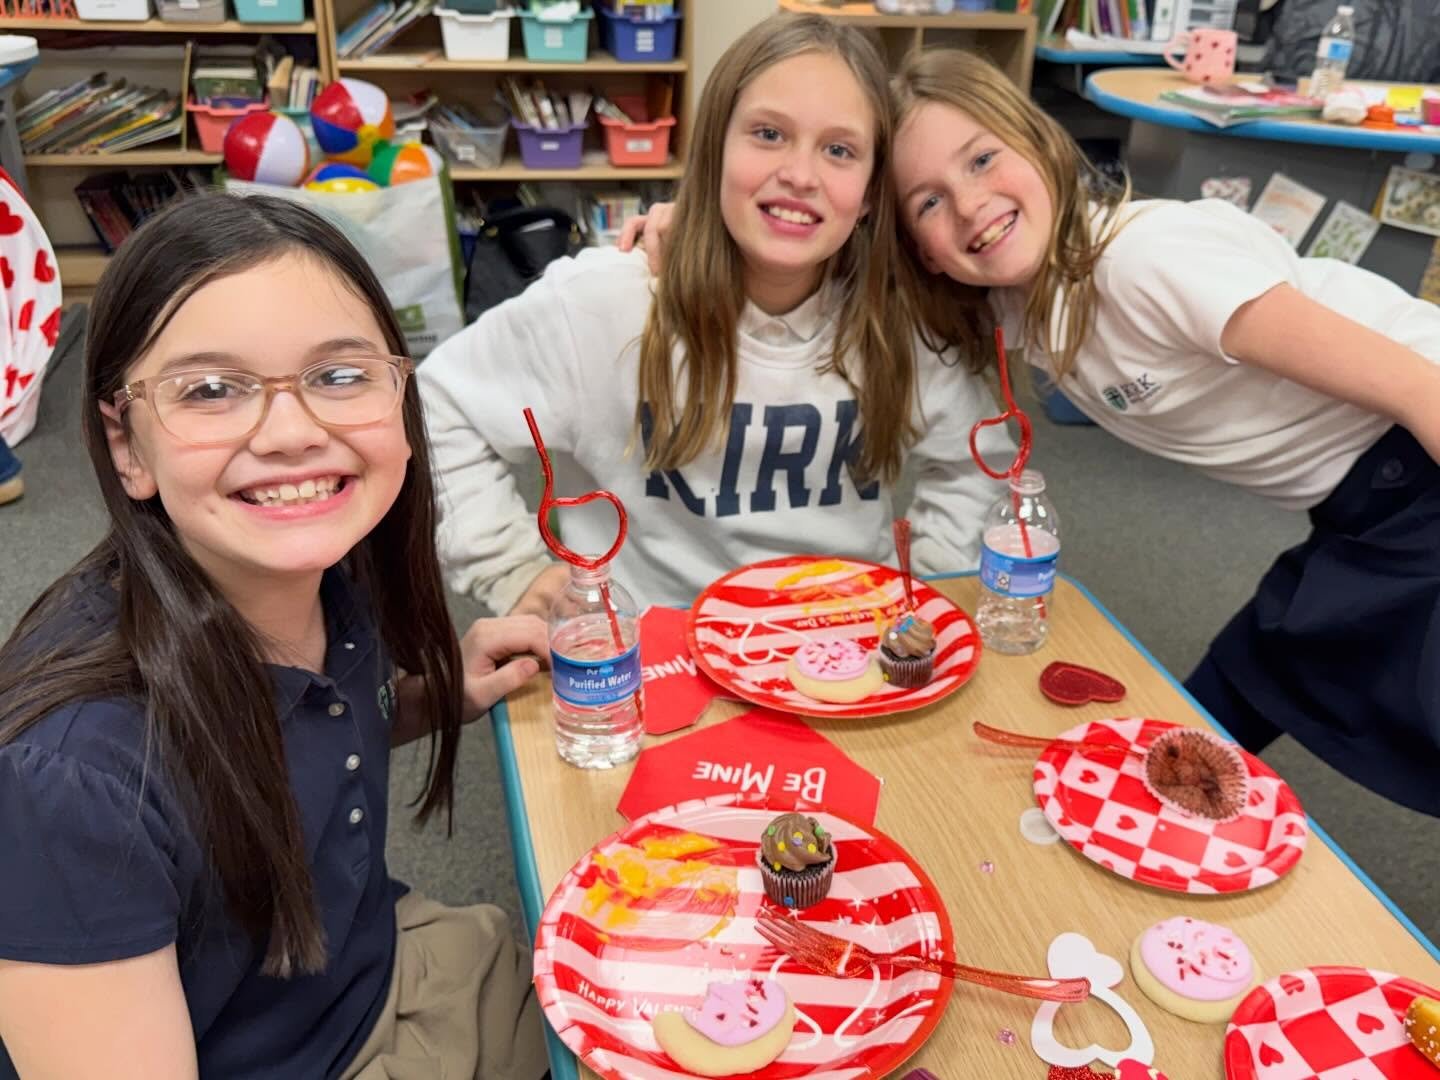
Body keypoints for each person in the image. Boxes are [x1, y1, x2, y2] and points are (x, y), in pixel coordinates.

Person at [0, 193, 550, 1079]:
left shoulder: (324, 567)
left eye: (339, 375)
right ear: (126, 445)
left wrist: (439, 694)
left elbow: (299, 734)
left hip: (376, 970)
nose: (294, 434)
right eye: (211, 390)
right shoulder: (70, 787)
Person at [885, 48, 1440, 815]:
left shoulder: (1142, 260)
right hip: (1357, 502)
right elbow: (855, 293)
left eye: (982, 159)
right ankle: (1158, 803)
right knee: (1258, 667)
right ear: (922, 252)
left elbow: (1418, 386)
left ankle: (1151, 806)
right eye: (929, 202)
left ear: (1039, 143)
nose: (971, 204)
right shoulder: (1018, 299)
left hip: (1417, 457)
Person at [419, 13, 1012, 618]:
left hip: (842, 646)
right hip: (652, 651)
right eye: (768, 134)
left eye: (839, 150)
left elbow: (976, 464)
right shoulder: (599, 305)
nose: (799, 175)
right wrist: (511, 571)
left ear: (869, 194)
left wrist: (932, 590)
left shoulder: (897, 319)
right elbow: (436, 407)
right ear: (714, 150)